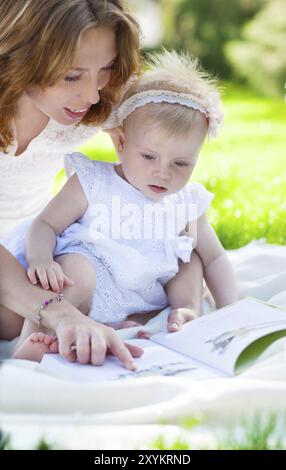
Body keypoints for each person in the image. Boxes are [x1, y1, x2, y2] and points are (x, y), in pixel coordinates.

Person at [0, 1, 203, 366]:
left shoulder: (92, 103)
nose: (92, 94)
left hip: (39, 257)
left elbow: (166, 123)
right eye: (71, 76)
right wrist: (63, 315)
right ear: (18, 54)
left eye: (106, 69)